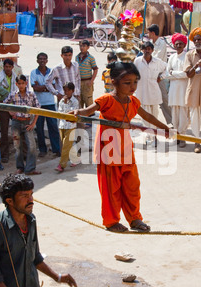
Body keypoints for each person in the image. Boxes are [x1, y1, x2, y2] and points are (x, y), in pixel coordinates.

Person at [70, 61, 170, 233]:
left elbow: (146, 115)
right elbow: (89, 111)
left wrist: (164, 128)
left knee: (132, 186)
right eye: (127, 82)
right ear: (114, 81)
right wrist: (77, 113)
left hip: (125, 150)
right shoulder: (107, 99)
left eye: (134, 82)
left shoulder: (133, 102)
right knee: (111, 188)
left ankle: (135, 218)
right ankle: (111, 221)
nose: (132, 86)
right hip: (107, 151)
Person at [0, 173, 77, 287]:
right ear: (9, 201)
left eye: (31, 194)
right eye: (24, 196)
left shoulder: (31, 220)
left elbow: (35, 257)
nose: (31, 200)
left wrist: (57, 277)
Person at [4, 75, 42, 175]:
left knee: (32, 146)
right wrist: (11, 112)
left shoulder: (31, 94)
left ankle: (30, 169)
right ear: (16, 84)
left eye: (23, 83)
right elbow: (5, 104)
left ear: (26, 83)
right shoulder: (13, 94)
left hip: (28, 122)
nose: (21, 85)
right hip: (16, 123)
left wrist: (33, 123)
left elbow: (38, 109)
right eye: (19, 83)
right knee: (17, 146)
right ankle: (20, 167)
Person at [133, 41, 168, 146]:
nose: (147, 51)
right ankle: (149, 137)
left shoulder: (157, 61)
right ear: (142, 50)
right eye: (145, 49)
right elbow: (133, 73)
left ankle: (155, 136)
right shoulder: (138, 61)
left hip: (153, 93)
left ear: (152, 50)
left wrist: (161, 77)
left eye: (149, 49)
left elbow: (167, 68)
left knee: (154, 116)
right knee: (145, 117)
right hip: (142, 93)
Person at [30, 52, 61, 158]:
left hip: (50, 103)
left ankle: (56, 149)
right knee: (39, 128)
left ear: (47, 60)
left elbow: (54, 86)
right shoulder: (33, 72)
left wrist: (43, 87)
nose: (42, 61)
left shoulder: (52, 72)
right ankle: (42, 149)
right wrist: (48, 87)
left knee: (53, 127)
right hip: (38, 104)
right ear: (37, 60)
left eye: (44, 59)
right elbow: (35, 88)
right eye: (40, 59)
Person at [164, 33, 189, 147]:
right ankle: (176, 137)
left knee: (183, 115)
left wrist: (173, 73)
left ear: (184, 45)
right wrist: (174, 74)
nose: (178, 45)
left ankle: (182, 137)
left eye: (180, 44)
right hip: (173, 90)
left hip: (184, 90)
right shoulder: (172, 57)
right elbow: (166, 74)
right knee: (174, 115)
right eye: (176, 44)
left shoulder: (187, 57)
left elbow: (187, 74)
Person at [147, 24, 172, 125]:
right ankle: (151, 122)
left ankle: (171, 123)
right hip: (149, 76)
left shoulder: (161, 44)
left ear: (153, 33)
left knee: (163, 100)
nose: (147, 34)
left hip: (158, 77)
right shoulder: (149, 43)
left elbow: (156, 59)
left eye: (148, 32)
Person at [56, 82, 81, 172]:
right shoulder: (62, 100)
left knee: (66, 146)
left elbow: (71, 113)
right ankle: (76, 159)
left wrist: (66, 104)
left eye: (68, 90)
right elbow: (59, 112)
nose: (66, 92)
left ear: (72, 91)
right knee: (66, 144)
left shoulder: (75, 101)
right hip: (62, 125)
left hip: (70, 126)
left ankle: (61, 165)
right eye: (65, 90)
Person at [0, 58, 17, 163]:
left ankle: (20, 152)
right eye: (6, 67)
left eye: (10, 67)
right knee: (4, 132)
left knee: (18, 130)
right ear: (3, 67)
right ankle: (4, 155)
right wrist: (8, 108)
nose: (8, 69)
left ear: (12, 67)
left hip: (15, 106)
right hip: (4, 107)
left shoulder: (16, 77)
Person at [75, 40, 98, 110]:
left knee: (89, 102)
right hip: (79, 82)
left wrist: (91, 81)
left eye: (84, 46)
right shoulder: (77, 57)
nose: (82, 48)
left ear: (88, 47)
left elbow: (95, 70)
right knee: (79, 102)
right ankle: (80, 120)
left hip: (87, 82)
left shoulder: (91, 58)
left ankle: (92, 120)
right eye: (81, 46)